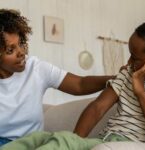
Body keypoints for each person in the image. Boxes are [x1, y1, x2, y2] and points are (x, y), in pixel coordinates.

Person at [0, 9, 114, 147]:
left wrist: (116, 78)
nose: (22, 52)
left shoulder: (36, 68)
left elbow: (80, 84)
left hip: (33, 143)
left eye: (21, 44)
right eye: (10, 50)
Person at [74, 20, 145, 143]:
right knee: (46, 139)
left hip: (129, 144)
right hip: (105, 140)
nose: (129, 62)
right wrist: (74, 142)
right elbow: (97, 107)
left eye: (135, 58)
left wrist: (141, 92)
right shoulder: (127, 74)